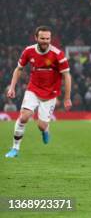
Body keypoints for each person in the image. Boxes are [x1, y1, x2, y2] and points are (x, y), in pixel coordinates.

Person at [5, 26, 72, 158]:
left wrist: (67, 97)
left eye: (48, 38)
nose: (45, 41)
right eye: (42, 38)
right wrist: (12, 87)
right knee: (24, 116)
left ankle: (45, 130)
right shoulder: (28, 51)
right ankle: (15, 148)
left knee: (41, 126)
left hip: (51, 93)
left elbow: (67, 76)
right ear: (36, 38)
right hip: (33, 89)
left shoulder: (58, 54)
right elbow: (19, 69)